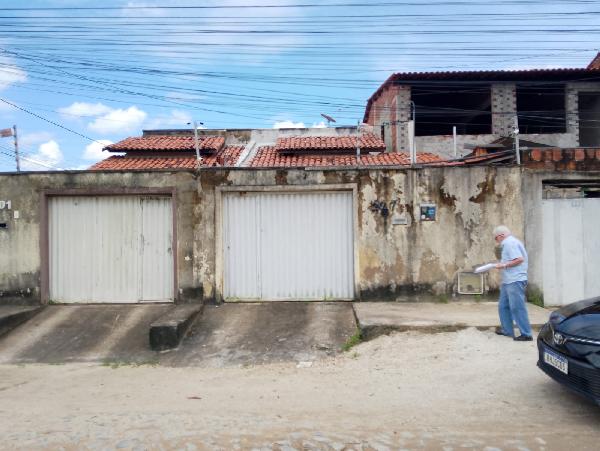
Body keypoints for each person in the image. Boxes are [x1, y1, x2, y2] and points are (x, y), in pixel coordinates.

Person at [493, 225, 533, 341]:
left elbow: (519, 259)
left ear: (501, 236)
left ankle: (526, 334)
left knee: (517, 307)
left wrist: (504, 265)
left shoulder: (509, 243)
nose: (496, 241)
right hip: (508, 280)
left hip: (515, 280)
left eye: (496, 238)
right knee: (503, 306)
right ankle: (507, 330)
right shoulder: (509, 243)